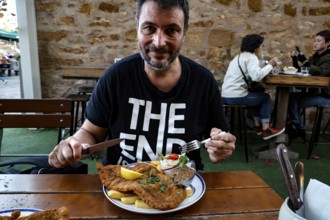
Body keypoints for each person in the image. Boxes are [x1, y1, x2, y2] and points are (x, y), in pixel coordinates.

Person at [48, 0, 236, 171]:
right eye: (149, 28)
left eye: (171, 30)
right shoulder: (115, 77)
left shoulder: (202, 81)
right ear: (137, 26)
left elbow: (218, 137)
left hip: (184, 186)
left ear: (184, 32)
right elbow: (90, 132)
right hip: (122, 185)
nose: (159, 42)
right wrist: (74, 144)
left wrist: (220, 147)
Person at [221, 34, 285, 140]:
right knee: (265, 98)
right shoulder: (252, 58)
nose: (262, 49)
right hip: (236, 97)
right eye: (261, 46)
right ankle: (266, 129)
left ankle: (257, 126)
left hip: (225, 96)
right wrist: (270, 65)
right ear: (256, 48)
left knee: (257, 94)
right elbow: (256, 76)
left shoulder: (239, 57)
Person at [286, 30, 330, 139]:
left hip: (325, 95)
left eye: (319, 41)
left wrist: (305, 61)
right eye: (314, 41)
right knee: (290, 97)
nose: (315, 43)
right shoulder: (315, 57)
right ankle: (296, 127)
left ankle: (297, 128)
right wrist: (295, 60)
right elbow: (303, 69)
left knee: (295, 101)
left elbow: (321, 72)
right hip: (315, 93)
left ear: (328, 43)